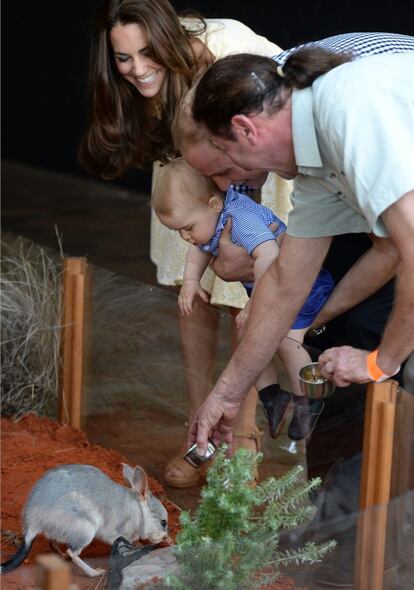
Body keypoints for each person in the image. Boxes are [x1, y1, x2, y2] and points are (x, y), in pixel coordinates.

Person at [78, 0, 291, 488]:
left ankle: (242, 432)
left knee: (244, 292)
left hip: (252, 165)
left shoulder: (226, 48)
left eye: (146, 52)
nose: (137, 69)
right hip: (188, 171)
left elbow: (267, 126)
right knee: (191, 292)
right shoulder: (140, 82)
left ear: (170, 39)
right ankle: (199, 430)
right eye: (123, 57)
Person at [179, 48, 414, 455]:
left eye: (226, 155)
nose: (230, 178)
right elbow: (286, 284)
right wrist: (227, 394)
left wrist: (382, 361)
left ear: (245, 129)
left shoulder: (346, 110)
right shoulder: (314, 168)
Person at [152, 158, 335, 440]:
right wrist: (190, 282)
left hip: (301, 282)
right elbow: (200, 249)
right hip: (270, 288)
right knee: (251, 338)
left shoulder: (241, 219)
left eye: (187, 227)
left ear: (214, 205)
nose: (186, 237)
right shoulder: (209, 220)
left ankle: (309, 401)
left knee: (287, 340)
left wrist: (255, 303)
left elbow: (271, 255)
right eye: (178, 231)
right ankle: (272, 396)